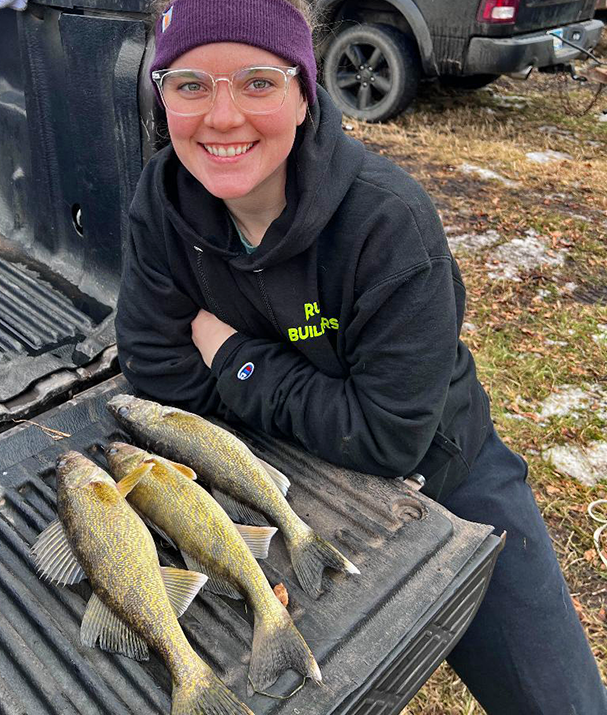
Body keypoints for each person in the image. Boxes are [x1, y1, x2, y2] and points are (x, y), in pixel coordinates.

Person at [115, 0, 607, 712]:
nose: (222, 119)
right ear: (160, 95)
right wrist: (317, 406)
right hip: (266, 471)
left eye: (258, 81)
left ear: (304, 90)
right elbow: (156, 369)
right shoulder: (161, 202)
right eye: (190, 84)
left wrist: (231, 355)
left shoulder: (389, 223)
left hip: (442, 476)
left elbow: (387, 433)